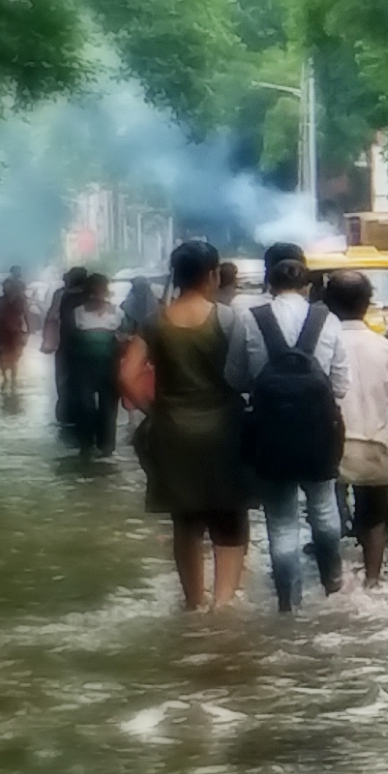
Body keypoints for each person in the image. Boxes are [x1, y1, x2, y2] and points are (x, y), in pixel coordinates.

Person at [122, 238, 252, 611]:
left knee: (186, 521)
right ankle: (222, 607)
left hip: (173, 432)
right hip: (225, 431)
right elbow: (243, 375)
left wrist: (158, 411)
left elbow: (128, 376)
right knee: (229, 520)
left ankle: (194, 602)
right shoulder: (228, 318)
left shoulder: (155, 322)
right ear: (212, 275)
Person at [224, 241, 349, 612]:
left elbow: (234, 378)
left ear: (269, 284)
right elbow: (341, 385)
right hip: (319, 433)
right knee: (324, 508)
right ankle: (333, 585)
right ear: (308, 287)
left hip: (270, 433)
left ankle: (288, 605)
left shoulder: (250, 318)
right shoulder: (328, 320)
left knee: (281, 522)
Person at [322, 268, 388, 589]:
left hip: (329, 449)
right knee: (374, 515)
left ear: (327, 303)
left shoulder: (319, 347)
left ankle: (332, 581)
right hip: (375, 447)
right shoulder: (386, 348)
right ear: (367, 304)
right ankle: (372, 582)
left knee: (325, 514)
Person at [55, 270, 124, 457]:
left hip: (110, 368)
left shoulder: (118, 314)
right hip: (83, 369)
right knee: (85, 407)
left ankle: (107, 448)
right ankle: (86, 446)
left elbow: (128, 339)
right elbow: (68, 342)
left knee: (108, 409)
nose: (98, 296)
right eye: (94, 291)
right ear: (87, 293)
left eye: (101, 291)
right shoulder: (77, 314)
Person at [0, 271, 33, 404]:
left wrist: (28, 330)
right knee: (3, 357)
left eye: (7, 287)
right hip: (2, 332)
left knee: (14, 357)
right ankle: (5, 378)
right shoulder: (0, 301)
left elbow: (26, 315)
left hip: (15, 332)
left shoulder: (21, 300)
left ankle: (13, 379)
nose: (5, 289)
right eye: (4, 287)